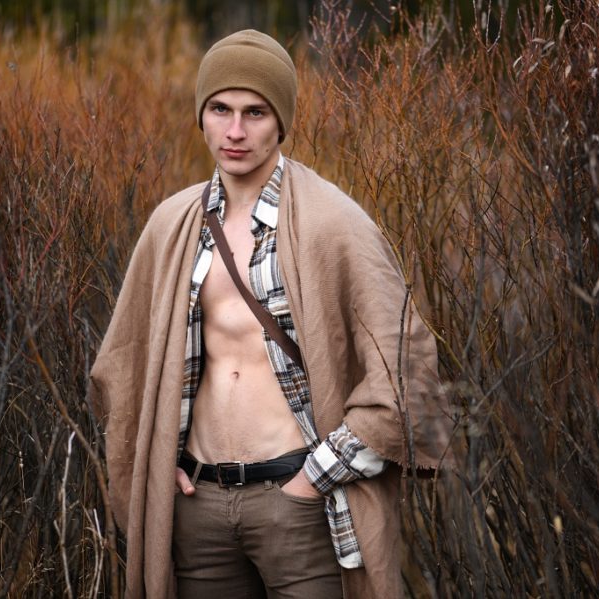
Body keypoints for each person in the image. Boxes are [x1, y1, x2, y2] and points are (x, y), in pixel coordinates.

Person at [89, 29, 456, 599]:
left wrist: (314, 477)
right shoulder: (172, 226)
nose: (235, 131)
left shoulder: (335, 224)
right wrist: (157, 465)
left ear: (281, 122)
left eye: (255, 113)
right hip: (197, 505)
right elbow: (123, 364)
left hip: (298, 504)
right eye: (220, 109)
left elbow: (405, 373)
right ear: (201, 116)